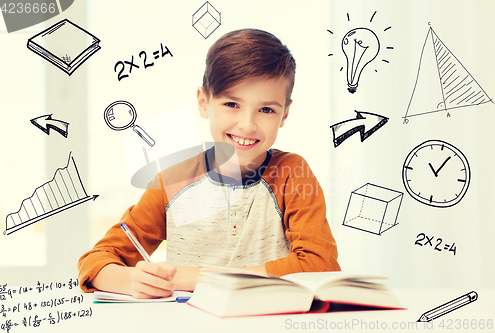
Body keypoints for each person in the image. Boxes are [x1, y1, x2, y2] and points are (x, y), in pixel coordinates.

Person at [78, 28, 340, 298]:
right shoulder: (171, 181)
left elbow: (320, 265)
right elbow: (94, 262)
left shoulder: (292, 173)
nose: (247, 125)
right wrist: (131, 279)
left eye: (266, 110)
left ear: (284, 114)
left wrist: (194, 277)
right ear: (204, 102)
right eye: (231, 104)